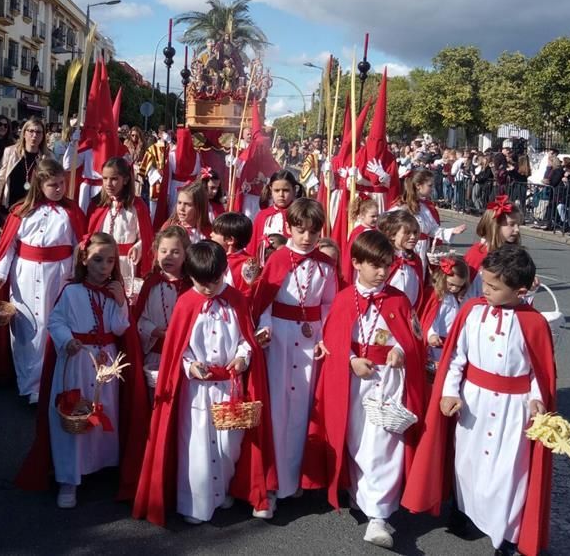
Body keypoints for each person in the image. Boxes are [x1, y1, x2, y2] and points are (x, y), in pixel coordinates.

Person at [402, 244, 556, 556]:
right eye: (484, 282)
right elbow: (456, 358)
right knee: (467, 463)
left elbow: (540, 373)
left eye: (494, 287)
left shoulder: (535, 323)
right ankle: (463, 511)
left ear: (521, 290)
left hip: (513, 410)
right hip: (474, 404)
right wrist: (449, 392)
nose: (484, 290)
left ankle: (507, 536)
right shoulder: (472, 312)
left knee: (508, 473)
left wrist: (538, 401)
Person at [132, 240, 276, 526]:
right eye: (202, 283)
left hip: (229, 388)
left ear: (224, 272)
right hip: (196, 391)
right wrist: (189, 365)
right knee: (195, 445)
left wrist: (242, 358)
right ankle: (195, 503)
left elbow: (246, 341)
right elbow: (178, 348)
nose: (209, 289)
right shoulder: (186, 302)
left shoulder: (236, 300)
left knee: (227, 445)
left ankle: (222, 491)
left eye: (215, 281)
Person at [301, 230, 426, 547]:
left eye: (387, 265)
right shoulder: (344, 299)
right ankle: (361, 494)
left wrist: (401, 351)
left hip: (387, 383)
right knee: (356, 442)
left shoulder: (398, 299)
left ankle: (379, 517)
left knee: (383, 444)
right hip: (354, 382)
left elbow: (411, 338)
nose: (383, 272)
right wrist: (351, 359)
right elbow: (333, 339)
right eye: (375, 265)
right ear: (356, 263)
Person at [14, 232, 147, 508]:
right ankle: (68, 478)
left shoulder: (113, 293)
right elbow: (55, 321)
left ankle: (97, 464)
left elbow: (120, 328)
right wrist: (67, 340)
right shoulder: (71, 291)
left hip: (105, 367)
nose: (104, 267)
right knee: (75, 415)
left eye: (110, 261)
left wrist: (122, 301)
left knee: (101, 413)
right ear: (84, 259)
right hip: (76, 363)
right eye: (98, 259)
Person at [252, 198, 338, 515]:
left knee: (303, 411)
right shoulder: (276, 260)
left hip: (309, 340)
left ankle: (295, 476)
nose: (306, 238)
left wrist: (325, 335)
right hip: (280, 339)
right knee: (277, 409)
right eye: (300, 231)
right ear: (289, 228)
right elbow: (265, 301)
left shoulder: (326, 266)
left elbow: (330, 305)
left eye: (313, 233)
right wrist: (265, 327)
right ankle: (271, 484)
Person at [0, 159, 86, 402]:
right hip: (26, 275)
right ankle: (29, 385)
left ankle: (52, 380)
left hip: (59, 275)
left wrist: (76, 273)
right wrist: (0, 274)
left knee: (54, 325)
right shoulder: (21, 211)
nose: (60, 188)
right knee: (26, 327)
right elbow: (9, 246)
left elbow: (79, 245)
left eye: (62, 183)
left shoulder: (70, 211)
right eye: (53, 185)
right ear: (40, 185)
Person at [86, 156, 155, 288]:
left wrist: (137, 247)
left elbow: (146, 237)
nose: (108, 183)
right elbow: (90, 234)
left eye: (114, 179)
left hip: (125, 263)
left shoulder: (137, 206)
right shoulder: (97, 204)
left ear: (126, 180)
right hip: (102, 262)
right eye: (105, 178)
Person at [134, 226, 192, 374]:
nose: (169, 256)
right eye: (164, 251)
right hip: (155, 354)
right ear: (157, 254)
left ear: (185, 255)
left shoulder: (190, 286)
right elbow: (139, 319)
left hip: (185, 354)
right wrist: (155, 331)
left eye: (175, 252)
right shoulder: (151, 284)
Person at [391, 168, 467, 275]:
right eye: (430, 185)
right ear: (418, 186)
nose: (432, 188)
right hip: (408, 247)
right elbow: (388, 225)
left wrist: (452, 231)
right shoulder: (401, 207)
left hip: (422, 248)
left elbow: (432, 229)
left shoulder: (424, 207)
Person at [0, 117, 49, 225]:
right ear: (24, 133)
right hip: (9, 208)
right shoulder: (10, 152)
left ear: (43, 136)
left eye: (39, 132)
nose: (34, 135)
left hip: (33, 210)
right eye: (31, 131)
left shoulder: (47, 157)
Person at [465, 194, 524, 295]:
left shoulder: (516, 255)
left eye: (518, 225)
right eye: (512, 224)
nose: (517, 230)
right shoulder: (477, 254)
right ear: (495, 226)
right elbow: (465, 288)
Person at [419, 256, 470, 370]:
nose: (454, 289)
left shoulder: (453, 297)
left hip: (448, 344)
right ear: (442, 277)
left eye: (458, 286)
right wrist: (431, 334)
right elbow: (431, 319)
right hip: (436, 344)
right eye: (451, 284)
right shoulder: (436, 296)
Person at [250, 169, 302, 262]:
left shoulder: (299, 215)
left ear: (294, 190)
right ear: (271, 190)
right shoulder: (262, 215)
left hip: (290, 264)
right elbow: (253, 246)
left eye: (286, 190)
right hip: (264, 266)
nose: (281, 195)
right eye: (277, 190)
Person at [378, 209, 423, 308]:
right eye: (407, 233)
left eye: (415, 232)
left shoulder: (415, 260)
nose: (413, 237)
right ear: (393, 235)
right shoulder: (385, 259)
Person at [210, 211, 258, 301]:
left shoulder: (248, 264)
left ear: (230, 240)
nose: (211, 234)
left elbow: (247, 295)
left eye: (215, 232)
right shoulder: (214, 256)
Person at [341, 198, 380, 286]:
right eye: (372, 216)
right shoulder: (359, 232)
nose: (376, 219)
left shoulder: (374, 230)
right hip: (361, 267)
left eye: (377, 216)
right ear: (362, 216)